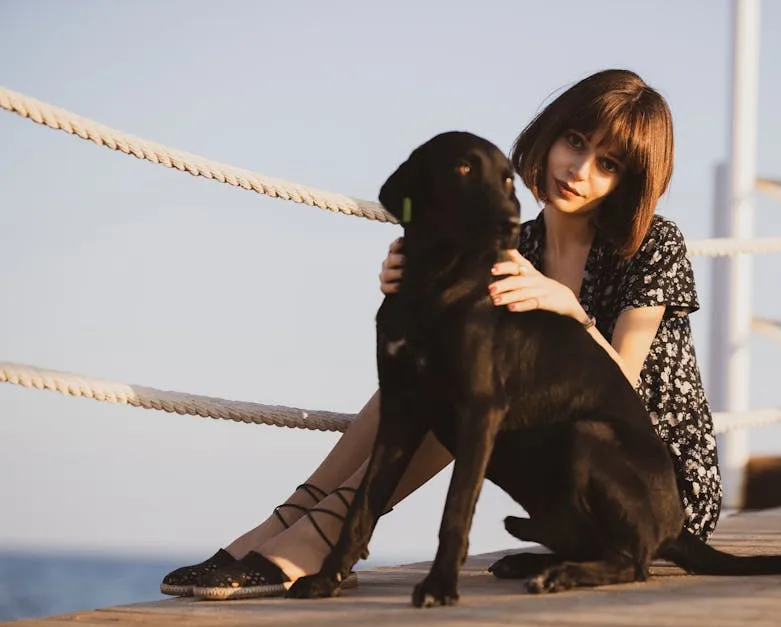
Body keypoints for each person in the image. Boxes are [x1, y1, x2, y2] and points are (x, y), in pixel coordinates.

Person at [161, 68, 722, 600]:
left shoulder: (650, 246)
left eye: (608, 164)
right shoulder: (513, 243)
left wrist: (571, 308)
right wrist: (403, 282)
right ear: (549, 135)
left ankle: (327, 537)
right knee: (424, 373)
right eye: (575, 141)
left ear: (630, 181)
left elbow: (620, 380)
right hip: (557, 469)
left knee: (457, 390)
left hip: (645, 481)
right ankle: (288, 520)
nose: (579, 170)